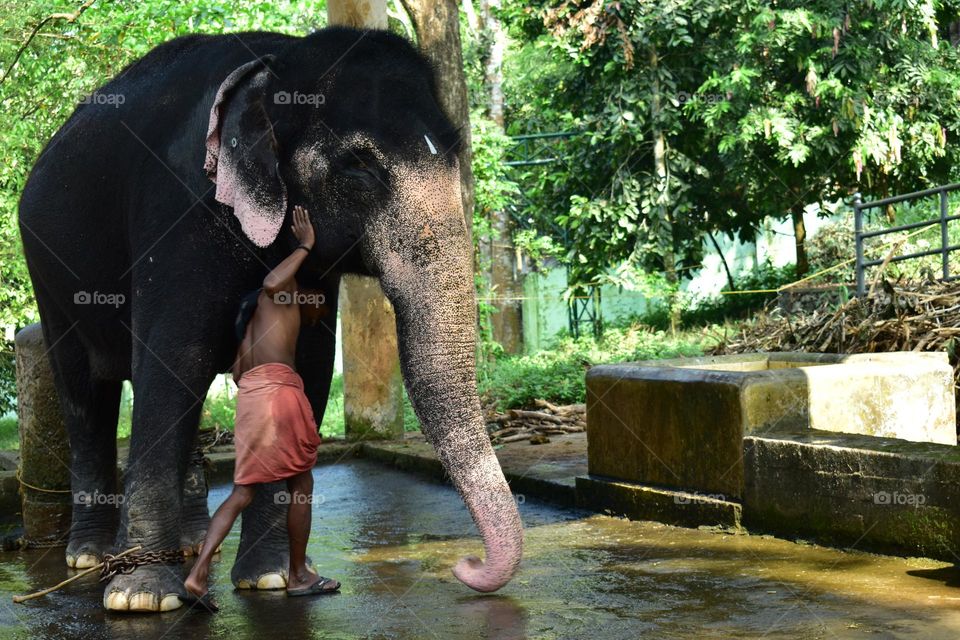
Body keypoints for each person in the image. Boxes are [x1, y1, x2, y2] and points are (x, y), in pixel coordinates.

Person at [183, 205, 340, 610]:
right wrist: (306, 245)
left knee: (242, 492)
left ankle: (198, 575)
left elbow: (238, 373)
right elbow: (273, 282)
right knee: (301, 487)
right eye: (320, 306)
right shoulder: (286, 293)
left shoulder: (249, 317)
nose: (319, 315)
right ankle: (299, 576)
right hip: (278, 394)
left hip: (251, 396)